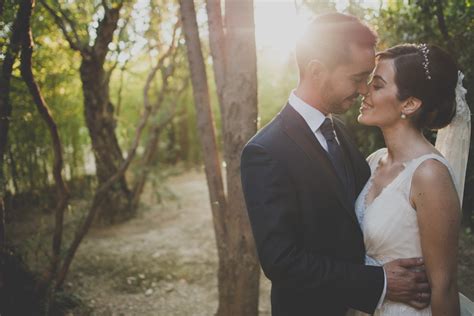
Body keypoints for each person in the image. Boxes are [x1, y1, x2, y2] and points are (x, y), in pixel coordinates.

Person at [240, 13, 430, 316]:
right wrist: (377, 282)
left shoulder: (339, 129)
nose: (364, 90)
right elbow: (281, 261)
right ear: (317, 71)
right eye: (357, 79)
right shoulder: (265, 151)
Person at [356, 43, 473, 315]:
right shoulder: (374, 161)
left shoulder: (429, 175)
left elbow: (444, 286)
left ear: (409, 104)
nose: (364, 90)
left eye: (378, 85)